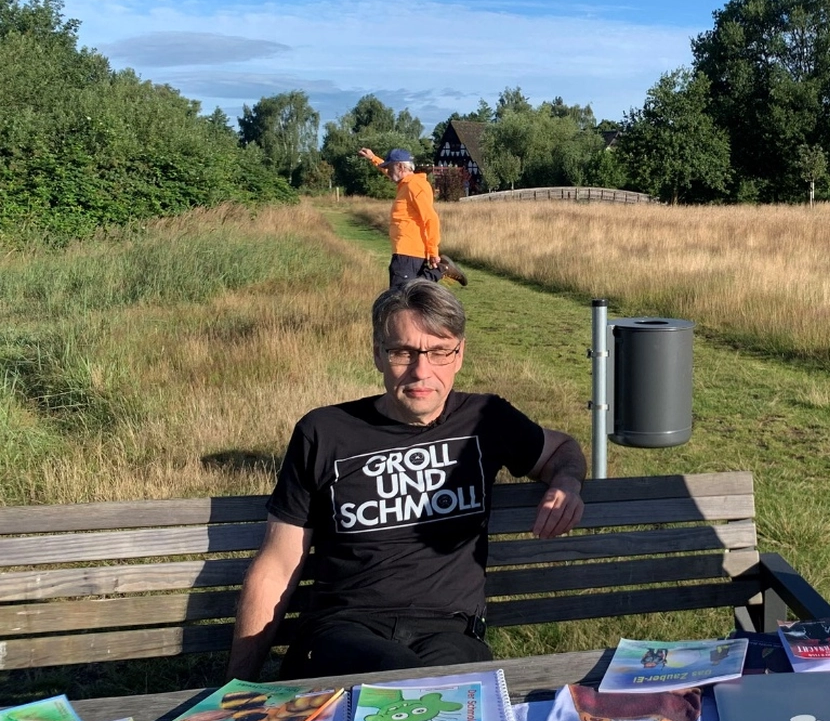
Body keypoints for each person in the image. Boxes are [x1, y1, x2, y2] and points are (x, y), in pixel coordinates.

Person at [228, 280, 586, 679]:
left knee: (446, 686)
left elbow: (560, 449)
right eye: (403, 352)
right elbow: (277, 566)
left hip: (450, 632)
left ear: (459, 354)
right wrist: (237, 687)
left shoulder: (486, 420)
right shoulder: (325, 432)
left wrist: (567, 483)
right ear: (378, 355)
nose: (421, 371)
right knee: (403, 676)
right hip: (343, 632)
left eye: (439, 351)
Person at [358, 146, 444, 289]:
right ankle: (438, 272)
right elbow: (389, 172)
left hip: (409, 253)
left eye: (390, 167)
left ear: (400, 166)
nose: (388, 171)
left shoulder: (414, 185)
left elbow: (431, 218)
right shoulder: (405, 183)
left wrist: (433, 252)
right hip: (405, 253)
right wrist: (373, 158)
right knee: (410, 295)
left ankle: (440, 270)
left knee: (401, 294)